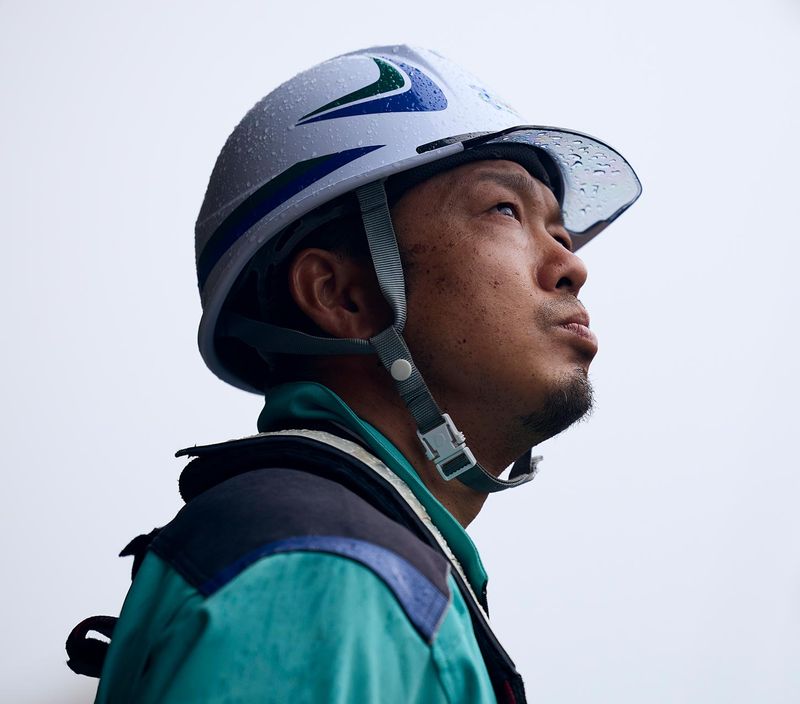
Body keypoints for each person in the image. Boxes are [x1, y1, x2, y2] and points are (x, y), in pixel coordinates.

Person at [66, 45, 641, 703]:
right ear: (340, 295)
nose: (572, 266)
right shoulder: (323, 570)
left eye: (560, 231)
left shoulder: (354, 565)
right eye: (504, 210)